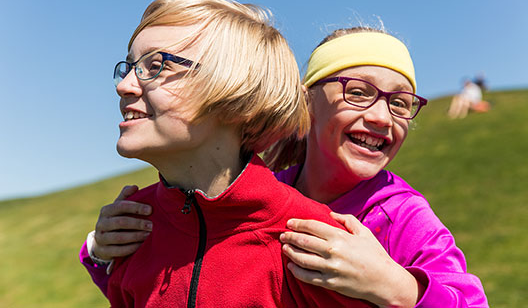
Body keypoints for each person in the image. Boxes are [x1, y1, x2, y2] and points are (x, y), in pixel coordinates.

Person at [81, 25, 489, 307]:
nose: (383, 117)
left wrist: (396, 287)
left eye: (400, 103)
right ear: (307, 102)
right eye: (359, 93)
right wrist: (101, 253)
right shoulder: (256, 196)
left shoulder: (403, 218)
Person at [86, 0, 378, 308]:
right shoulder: (129, 229)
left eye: (156, 66)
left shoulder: (317, 245)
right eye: (128, 67)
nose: (124, 85)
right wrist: (98, 256)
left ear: (236, 94)